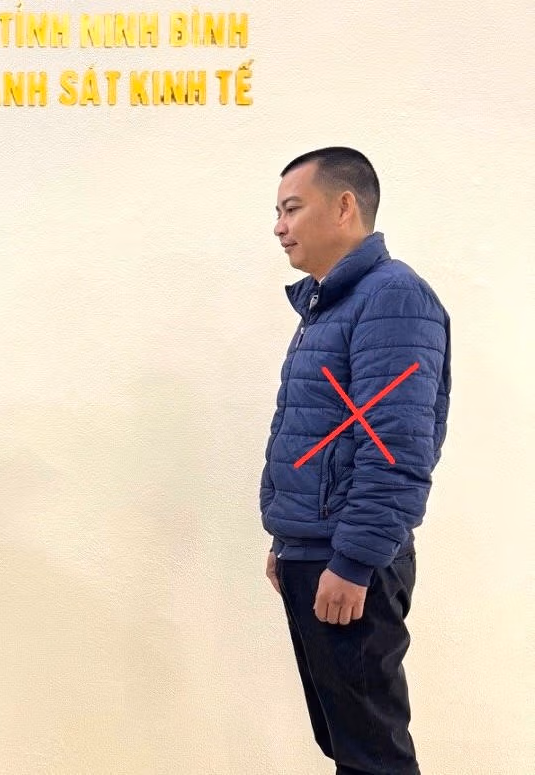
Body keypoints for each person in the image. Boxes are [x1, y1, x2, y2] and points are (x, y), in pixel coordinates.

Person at [260, 147, 450, 774]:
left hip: (347, 562)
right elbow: (316, 435)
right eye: (277, 213)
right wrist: (290, 540)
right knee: (345, 742)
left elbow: (396, 448)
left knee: (373, 755)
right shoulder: (331, 304)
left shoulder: (393, 298)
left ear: (344, 207)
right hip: (313, 553)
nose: (280, 227)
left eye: (292, 209)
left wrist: (353, 559)